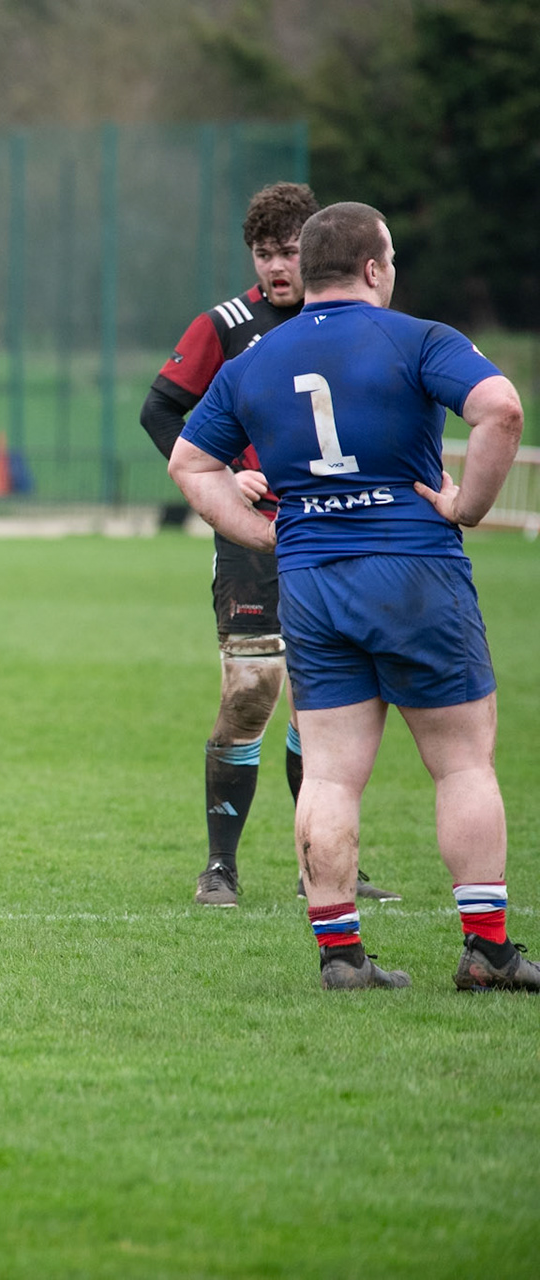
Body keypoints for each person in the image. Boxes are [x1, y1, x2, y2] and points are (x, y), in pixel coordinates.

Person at [170, 201, 532, 992]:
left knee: (330, 776)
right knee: (462, 764)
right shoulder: (417, 338)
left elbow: (190, 464)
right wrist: (469, 506)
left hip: (312, 580)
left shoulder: (257, 359)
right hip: (414, 570)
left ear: (306, 270)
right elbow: (501, 407)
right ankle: (488, 951)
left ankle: (341, 956)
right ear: (374, 268)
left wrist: (263, 533)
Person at [142, 182, 399, 908]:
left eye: (289, 251)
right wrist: (222, 476)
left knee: (328, 697)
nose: (276, 268)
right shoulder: (226, 325)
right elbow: (160, 407)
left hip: (336, 528)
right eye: (264, 254)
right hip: (254, 538)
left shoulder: (349, 319)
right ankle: (219, 867)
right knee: (253, 692)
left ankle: (321, 862)